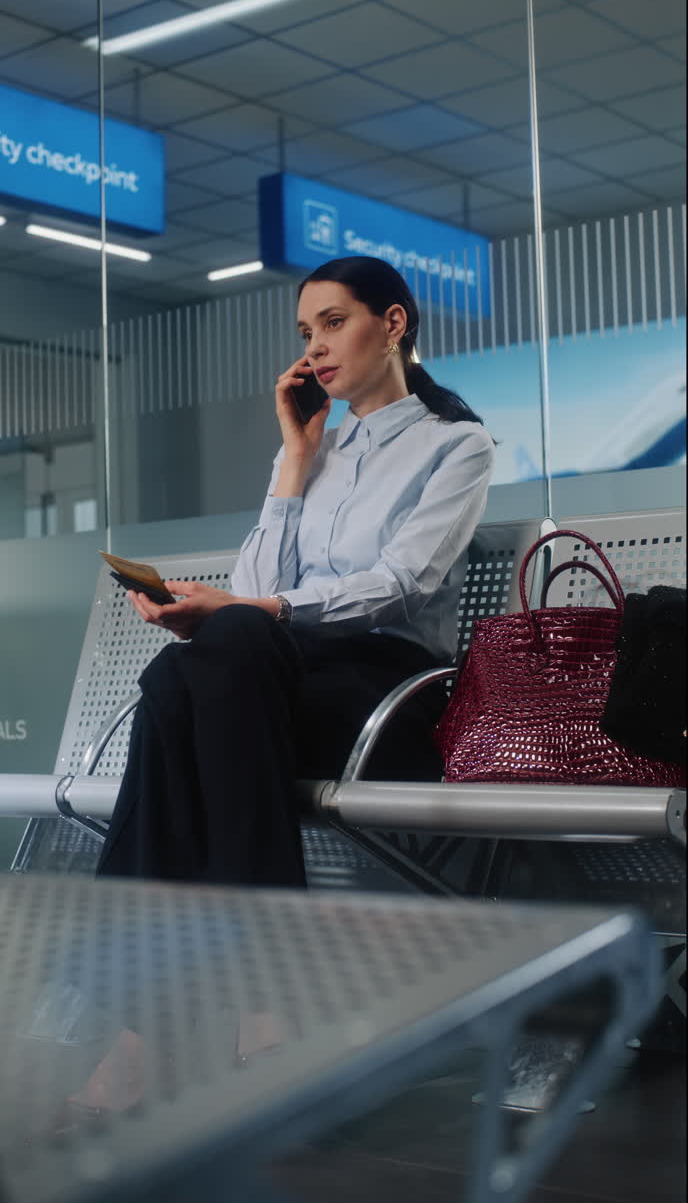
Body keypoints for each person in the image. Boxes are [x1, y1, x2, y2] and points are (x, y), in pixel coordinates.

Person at [96, 255, 495, 888]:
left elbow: (400, 586)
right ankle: (246, 917)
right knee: (194, 666)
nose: (316, 349)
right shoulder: (309, 449)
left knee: (189, 672)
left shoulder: (456, 444)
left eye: (333, 323)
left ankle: (148, 916)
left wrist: (247, 613)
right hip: (275, 679)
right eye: (306, 333)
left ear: (393, 323)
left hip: (382, 697)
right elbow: (256, 593)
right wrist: (297, 459)